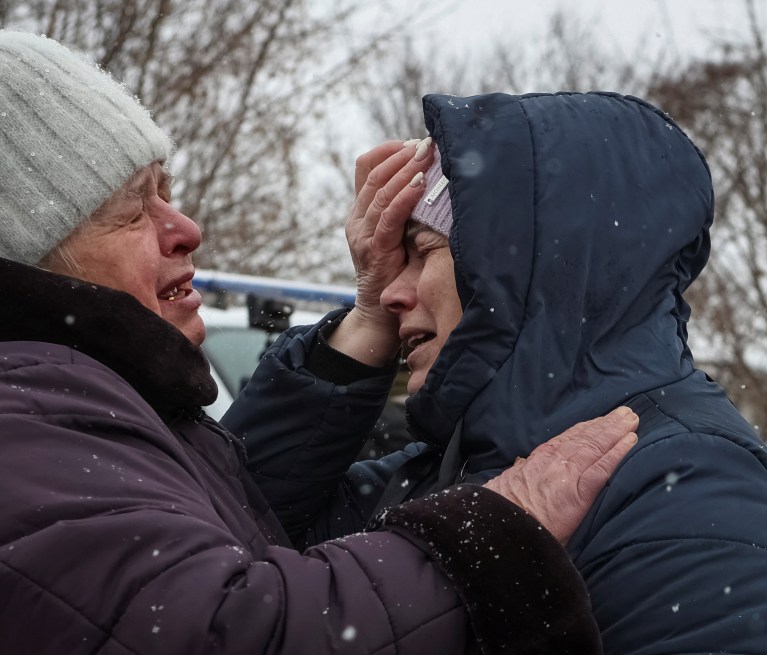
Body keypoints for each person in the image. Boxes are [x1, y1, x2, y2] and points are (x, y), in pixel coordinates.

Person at [0, 27, 639, 655]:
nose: (186, 228)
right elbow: (220, 627)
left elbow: (225, 519)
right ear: (20, 253)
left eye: (169, 190)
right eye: (134, 207)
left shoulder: (31, 395)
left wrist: (362, 329)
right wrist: (493, 534)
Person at [227, 92, 767, 653]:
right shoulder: (444, 469)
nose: (391, 291)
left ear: (523, 268)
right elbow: (227, 560)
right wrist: (363, 324)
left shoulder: (685, 483)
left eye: (422, 252)